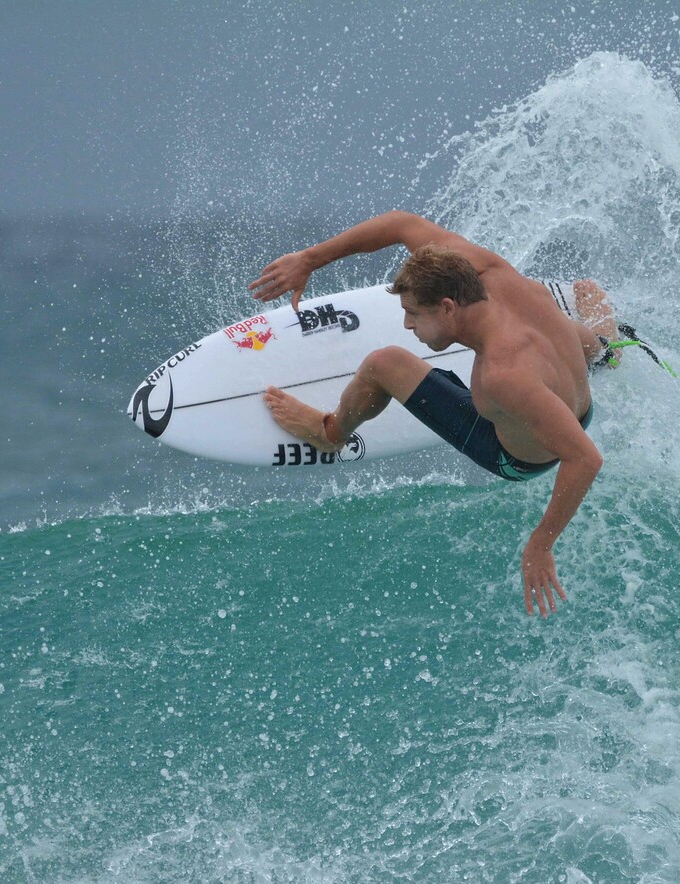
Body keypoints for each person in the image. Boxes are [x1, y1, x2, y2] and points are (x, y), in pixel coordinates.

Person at [249, 211, 604, 618]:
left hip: (522, 455)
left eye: (414, 313)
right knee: (560, 325)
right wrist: (309, 259)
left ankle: (328, 434)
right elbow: (401, 224)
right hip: (577, 402)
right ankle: (605, 347)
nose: (406, 323)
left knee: (385, 363)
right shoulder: (489, 271)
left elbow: (584, 459)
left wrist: (541, 543)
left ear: (449, 307)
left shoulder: (504, 375)